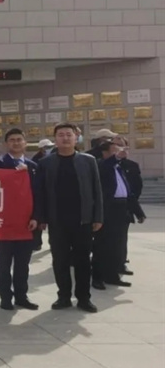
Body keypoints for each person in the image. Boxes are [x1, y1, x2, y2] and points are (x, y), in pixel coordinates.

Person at [34, 122, 103, 313]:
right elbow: (40, 193)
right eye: (61, 135)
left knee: (83, 261)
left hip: (83, 220)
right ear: (55, 139)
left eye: (69, 134)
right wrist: (41, 217)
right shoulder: (46, 163)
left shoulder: (88, 161)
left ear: (76, 138)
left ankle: (84, 298)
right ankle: (63, 296)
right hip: (57, 221)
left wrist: (98, 217)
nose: (65, 138)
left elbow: (97, 191)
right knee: (60, 260)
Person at [0, 128, 40, 310]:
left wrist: (36, 217)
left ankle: (21, 296)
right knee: (4, 263)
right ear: (6, 144)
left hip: (27, 223)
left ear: (25, 143)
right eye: (12, 140)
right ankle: (5, 297)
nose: (16, 143)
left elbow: (38, 194)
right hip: (5, 222)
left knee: (23, 264)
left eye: (19, 139)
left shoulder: (33, 166)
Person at [92, 139, 132, 290]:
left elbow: (127, 191)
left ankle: (112, 275)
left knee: (117, 246)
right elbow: (105, 166)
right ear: (105, 152)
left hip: (121, 210)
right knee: (102, 245)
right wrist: (116, 157)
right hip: (107, 211)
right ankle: (97, 277)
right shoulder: (100, 164)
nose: (119, 152)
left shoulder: (119, 168)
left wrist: (137, 211)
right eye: (115, 150)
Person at [115, 136, 145, 275]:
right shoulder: (102, 164)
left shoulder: (132, 165)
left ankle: (121, 263)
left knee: (122, 238)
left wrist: (134, 208)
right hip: (107, 209)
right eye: (116, 145)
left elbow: (136, 188)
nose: (120, 148)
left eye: (122, 145)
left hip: (125, 208)